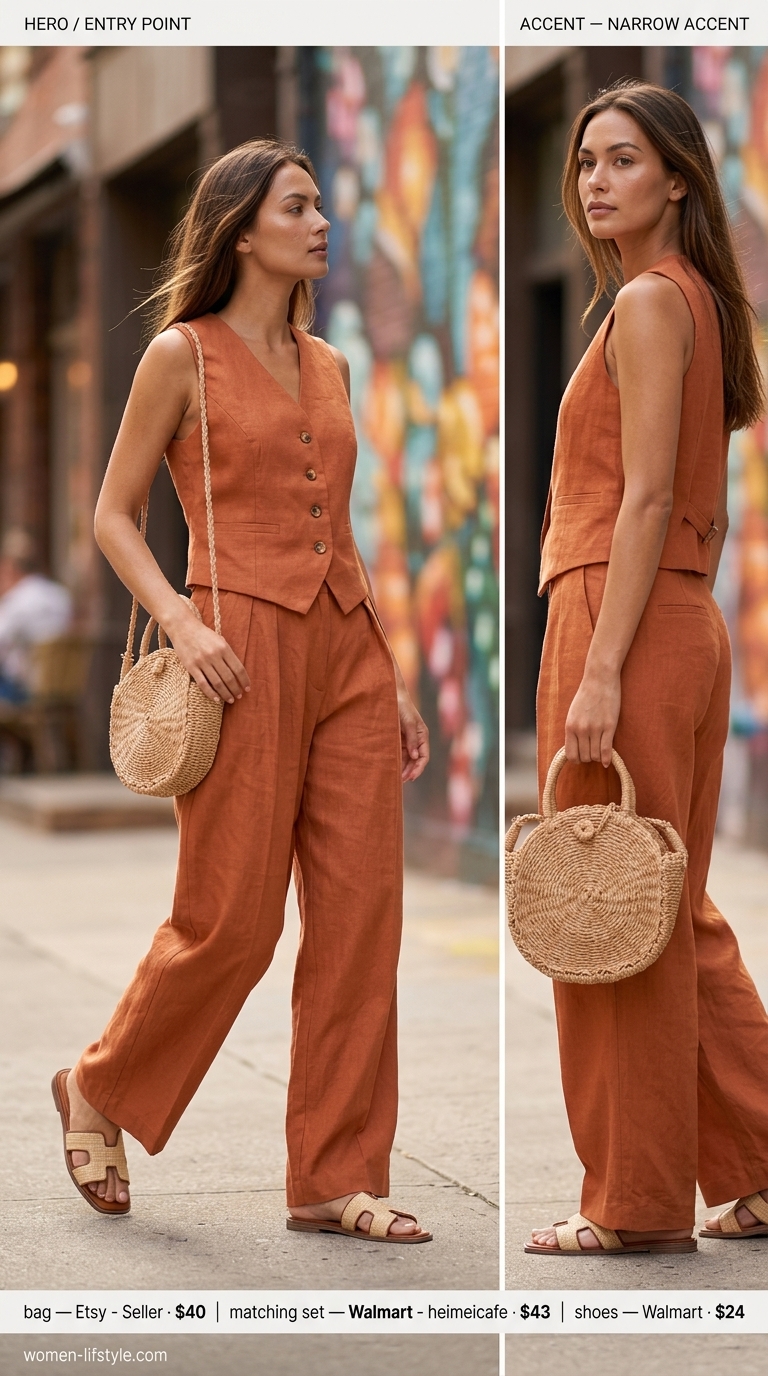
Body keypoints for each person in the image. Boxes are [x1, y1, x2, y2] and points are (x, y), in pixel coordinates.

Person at [52, 139, 432, 1244]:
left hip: (348, 649)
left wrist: (391, 669)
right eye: (298, 206)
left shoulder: (333, 364)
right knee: (232, 920)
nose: (321, 223)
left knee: (364, 921)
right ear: (241, 229)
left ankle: (334, 1172)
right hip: (237, 645)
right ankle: (99, 1084)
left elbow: (342, 527)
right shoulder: (181, 355)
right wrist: (182, 618)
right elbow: (114, 513)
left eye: (319, 205)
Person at [526, 82, 768, 1256]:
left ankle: (631, 1202)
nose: (596, 182)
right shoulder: (682, 299)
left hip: (624, 623)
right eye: (585, 165)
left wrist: (601, 667)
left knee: (600, 905)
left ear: (678, 178)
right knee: (663, 905)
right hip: (669, 623)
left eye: (622, 161)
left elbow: (648, 500)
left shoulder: (652, 307)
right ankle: (762, 1163)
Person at [0, 529, 73, 703]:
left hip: (24, 690)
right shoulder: (60, 595)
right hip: (63, 686)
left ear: (10, 567)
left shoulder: (18, 600)